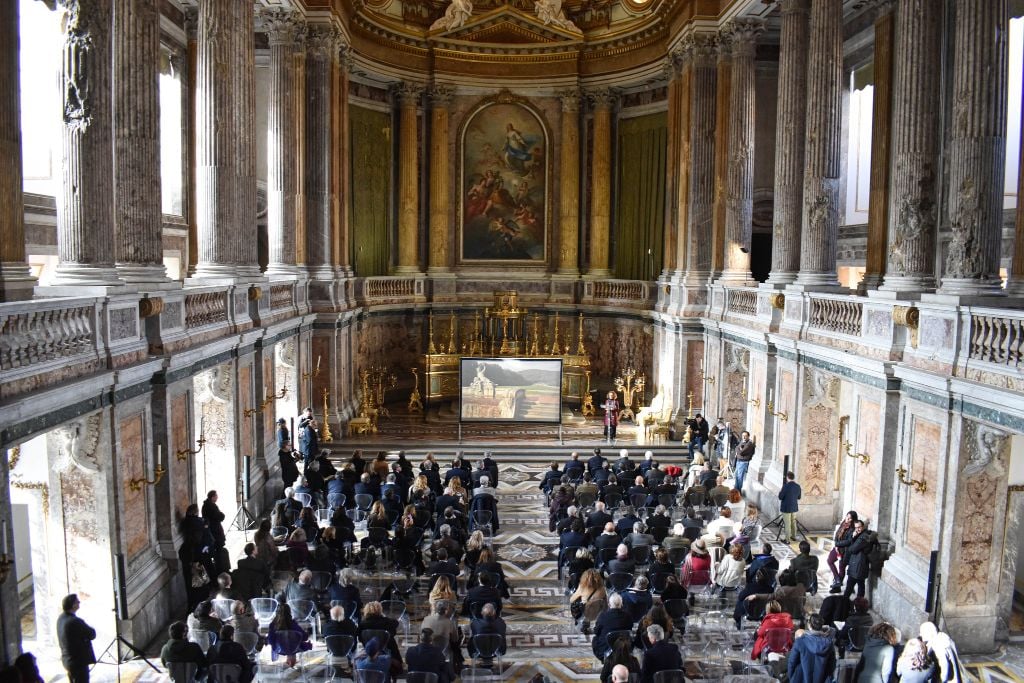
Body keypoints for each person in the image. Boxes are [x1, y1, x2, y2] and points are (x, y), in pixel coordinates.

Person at [57, 594, 96, 683]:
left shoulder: (61, 618)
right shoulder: (74, 621)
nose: (79, 603)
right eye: (77, 601)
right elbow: (92, 634)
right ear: (73, 605)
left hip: (68, 660)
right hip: (78, 661)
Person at [786, 614, 836, 683]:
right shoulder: (829, 644)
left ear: (809, 625)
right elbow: (832, 666)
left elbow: (791, 663)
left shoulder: (800, 641)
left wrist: (792, 678)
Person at [836, 519, 871, 599]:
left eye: (859, 527)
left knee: (850, 588)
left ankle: (848, 604)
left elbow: (852, 549)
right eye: (856, 528)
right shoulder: (861, 536)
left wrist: (852, 538)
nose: (858, 529)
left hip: (858, 566)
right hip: (858, 565)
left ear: (863, 527)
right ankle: (859, 605)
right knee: (859, 585)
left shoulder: (863, 538)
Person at [592, 593, 633, 659]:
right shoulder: (628, 616)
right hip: (624, 648)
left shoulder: (603, 616)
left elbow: (596, 632)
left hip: (605, 649)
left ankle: (604, 660)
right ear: (621, 604)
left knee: (595, 638)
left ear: (609, 605)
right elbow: (630, 629)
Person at [829, 511, 859, 593]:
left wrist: (837, 544)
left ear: (853, 520)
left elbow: (849, 541)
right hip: (837, 548)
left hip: (845, 551)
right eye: (847, 517)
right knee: (830, 561)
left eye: (850, 518)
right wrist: (836, 544)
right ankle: (837, 579)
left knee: (841, 568)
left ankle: (837, 588)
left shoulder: (852, 529)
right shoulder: (843, 524)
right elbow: (837, 534)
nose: (847, 519)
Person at [778, 471, 802, 542]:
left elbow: (780, 497)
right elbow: (799, 497)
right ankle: (794, 536)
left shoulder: (785, 486)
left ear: (788, 478)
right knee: (793, 522)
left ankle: (787, 540)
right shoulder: (798, 486)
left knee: (787, 524)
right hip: (794, 507)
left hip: (786, 508)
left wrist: (780, 492)